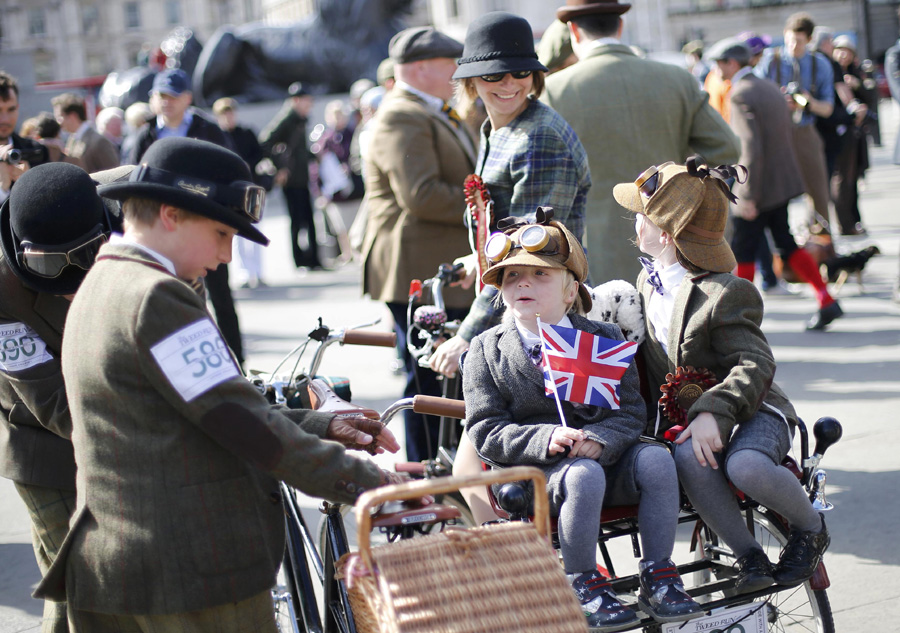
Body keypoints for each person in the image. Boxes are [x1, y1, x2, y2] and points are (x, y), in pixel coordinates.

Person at [35, 136, 406, 631]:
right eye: (221, 233)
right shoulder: (156, 297)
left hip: (133, 564)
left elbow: (194, 410)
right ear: (171, 214)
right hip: (189, 571)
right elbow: (243, 424)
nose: (228, 255)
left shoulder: (104, 281)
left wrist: (320, 424)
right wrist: (376, 484)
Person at [463, 214, 701, 629]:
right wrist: (546, 436)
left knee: (659, 460)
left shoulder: (604, 337)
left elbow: (631, 410)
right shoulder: (485, 351)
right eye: (511, 276)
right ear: (501, 292)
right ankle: (582, 581)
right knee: (583, 475)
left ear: (571, 289)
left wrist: (602, 438)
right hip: (536, 474)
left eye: (540, 274)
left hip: (607, 455)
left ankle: (659, 575)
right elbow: (485, 429)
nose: (523, 283)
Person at [617, 157, 831, 596]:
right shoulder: (644, 282)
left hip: (752, 409)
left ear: (666, 234)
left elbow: (756, 363)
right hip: (694, 422)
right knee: (685, 457)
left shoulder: (725, 292)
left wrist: (714, 411)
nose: (634, 225)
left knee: (746, 465)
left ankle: (811, 527)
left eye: (640, 217)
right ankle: (748, 553)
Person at [430, 11, 591, 382]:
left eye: (520, 72)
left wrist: (467, 335)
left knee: (504, 435)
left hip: (544, 322)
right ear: (471, 80)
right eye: (493, 74)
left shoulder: (539, 137)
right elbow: (506, 226)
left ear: (534, 76)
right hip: (521, 312)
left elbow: (527, 254)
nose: (508, 83)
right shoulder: (499, 126)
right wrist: (477, 256)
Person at [0, 161, 126, 633]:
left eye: (88, 254)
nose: (74, 284)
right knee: (75, 579)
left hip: (117, 413)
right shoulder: (0, 289)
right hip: (40, 441)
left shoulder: (125, 204)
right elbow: (50, 399)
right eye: (54, 265)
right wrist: (142, 436)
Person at [541, 0, 739, 285]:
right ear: (621, 26)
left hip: (594, 248)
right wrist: (679, 187)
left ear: (573, 30)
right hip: (671, 241)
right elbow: (726, 148)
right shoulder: (676, 79)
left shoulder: (553, 91)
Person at [361, 26, 476, 462]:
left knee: (439, 380)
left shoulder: (430, 109)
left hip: (434, 263)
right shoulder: (400, 114)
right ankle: (426, 475)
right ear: (421, 68)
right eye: (452, 64)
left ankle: (436, 474)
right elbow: (421, 195)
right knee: (429, 384)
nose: (458, 72)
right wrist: (484, 202)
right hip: (419, 266)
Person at [711, 40, 843, 330]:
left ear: (733, 63)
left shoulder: (740, 93)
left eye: (720, 63)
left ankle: (736, 319)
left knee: (743, 250)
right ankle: (825, 298)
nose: (717, 69)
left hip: (759, 186)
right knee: (784, 244)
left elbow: (750, 148)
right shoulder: (769, 86)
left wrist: (745, 194)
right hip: (779, 183)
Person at [128, 68, 247, 369]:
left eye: (172, 95)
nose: (166, 102)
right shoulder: (146, 135)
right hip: (164, 231)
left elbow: (230, 172)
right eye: (160, 96)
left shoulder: (208, 129)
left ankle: (235, 363)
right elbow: (133, 176)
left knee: (220, 295)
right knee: (171, 299)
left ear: (188, 99)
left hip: (205, 225)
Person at [756, 12, 835, 236]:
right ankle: (781, 246)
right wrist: (778, 100)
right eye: (789, 39)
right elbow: (755, 93)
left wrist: (808, 103)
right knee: (772, 194)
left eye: (798, 41)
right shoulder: (771, 60)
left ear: (809, 40)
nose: (792, 45)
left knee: (819, 192)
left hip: (805, 130)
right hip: (774, 133)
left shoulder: (820, 64)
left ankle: (823, 245)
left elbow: (827, 108)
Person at [258, 82, 322, 270]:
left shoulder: (300, 118)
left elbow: (299, 149)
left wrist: (312, 156)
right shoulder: (287, 118)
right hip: (291, 179)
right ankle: (300, 260)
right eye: (306, 100)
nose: (309, 104)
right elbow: (265, 142)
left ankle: (314, 260)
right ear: (296, 101)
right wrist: (280, 167)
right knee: (297, 220)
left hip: (302, 176)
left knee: (308, 218)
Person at [214, 97, 267, 288]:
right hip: (230, 190)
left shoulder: (246, 133)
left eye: (230, 113)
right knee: (235, 234)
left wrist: (246, 166)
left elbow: (259, 154)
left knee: (255, 230)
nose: (228, 117)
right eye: (224, 114)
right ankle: (245, 273)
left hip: (250, 188)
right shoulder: (217, 136)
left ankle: (259, 273)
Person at [830, 36, 870, 237]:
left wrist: (858, 85)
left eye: (848, 51)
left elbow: (871, 99)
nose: (843, 54)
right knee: (842, 179)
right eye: (840, 50)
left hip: (857, 134)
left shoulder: (856, 73)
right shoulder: (830, 70)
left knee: (853, 178)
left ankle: (854, 220)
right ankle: (845, 224)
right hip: (839, 132)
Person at [0, 71, 49, 204]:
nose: (5, 119)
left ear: (18, 108)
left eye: (11, 109)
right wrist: (1, 190)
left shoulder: (37, 152)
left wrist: (29, 184)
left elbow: (51, 208)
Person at [51, 93, 120, 173]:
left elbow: (115, 174)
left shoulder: (98, 142)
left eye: (60, 117)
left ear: (72, 116)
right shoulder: (72, 139)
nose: (58, 122)